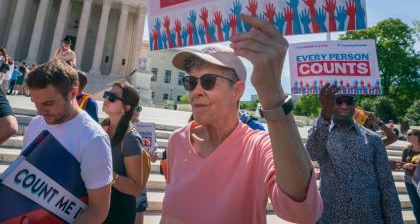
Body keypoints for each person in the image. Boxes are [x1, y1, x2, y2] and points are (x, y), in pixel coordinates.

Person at [161, 15, 323, 224]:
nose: (196, 91)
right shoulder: (177, 140)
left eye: (208, 81)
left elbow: (304, 212)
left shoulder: (258, 146)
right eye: (191, 82)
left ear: (237, 91)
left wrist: (271, 91)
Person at [24, 60, 113, 223]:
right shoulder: (35, 124)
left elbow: (98, 210)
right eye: (35, 103)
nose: (40, 111)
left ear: (73, 93)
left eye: (48, 103)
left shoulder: (94, 139)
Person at [306, 84, 403, 223]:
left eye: (348, 101)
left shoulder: (373, 139)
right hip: (331, 217)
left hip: (370, 217)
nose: (344, 106)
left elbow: (387, 186)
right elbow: (312, 152)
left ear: (354, 105)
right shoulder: (321, 134)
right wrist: (325, 115)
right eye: (338, 101)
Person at [102, 82, 144, 224]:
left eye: (113, 97)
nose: (106, 99)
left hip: (118, 213)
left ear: (126, 107)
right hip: (99, 207)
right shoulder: (104, 126)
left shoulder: (131, 138)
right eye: (107, 94)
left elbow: (135, 188)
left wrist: (108, 173)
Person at [130, 103, 159, 224]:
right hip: (123, 174)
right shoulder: (119, 126)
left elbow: (153, 152)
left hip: (139, 176)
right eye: (134, 108)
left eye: (139, 108)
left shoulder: (148, 129)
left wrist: (153, 156)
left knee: (139, 210)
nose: (136, 111)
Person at [402, 129, 420, 222]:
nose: (406, 135)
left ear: (417, 136)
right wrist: (406, 165)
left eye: (409, 134)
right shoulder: (407, 150)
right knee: (416, 206)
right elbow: (402, 163)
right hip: (409, 181)